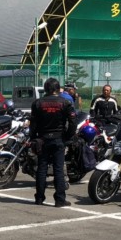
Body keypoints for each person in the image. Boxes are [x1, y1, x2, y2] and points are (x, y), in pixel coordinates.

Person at [29, 77, 77, 207]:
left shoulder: (38, 103)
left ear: (45, 89)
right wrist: (68, 136)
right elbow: (73, 122)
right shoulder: (65, 102)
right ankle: (60, 199)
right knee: (58, 169)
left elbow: (33, 123)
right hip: (58, 138)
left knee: (42, 168)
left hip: (42, 138)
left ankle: (39, 198)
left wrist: (33, 137)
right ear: (57, 89)